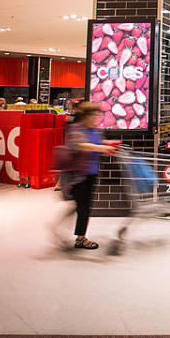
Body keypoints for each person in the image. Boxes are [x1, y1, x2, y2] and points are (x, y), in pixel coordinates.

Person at [58, 101, 120, 250]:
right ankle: (80, 238)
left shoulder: (94, 130)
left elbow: (96, 142)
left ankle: (62, 228)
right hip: (78, 175)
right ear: (86, 115)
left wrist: (109, 143)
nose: (97, 117)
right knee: (83, 206)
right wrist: (102, 147)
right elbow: (81, 145)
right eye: (95, 114)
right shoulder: (75, 129)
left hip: (91, 172)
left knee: (82, 206)